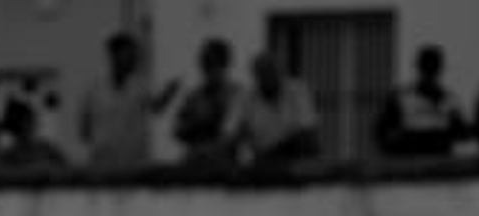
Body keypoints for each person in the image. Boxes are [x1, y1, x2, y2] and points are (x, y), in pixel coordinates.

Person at [78, 31, 180, 169]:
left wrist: (169, 92)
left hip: (134, 163)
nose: (133, 59)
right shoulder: (94, 88)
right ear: (114, 56)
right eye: (128, 54)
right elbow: (84, 129)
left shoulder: (140, 85)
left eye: (134, 55)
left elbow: (156, 108)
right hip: (103, 162)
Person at [375, 45, 468, 157]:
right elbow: (381, 132)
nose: (429, 72)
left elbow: (462, 133)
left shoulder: (450, 101)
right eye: (427, 67)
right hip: (411, 159)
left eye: (433, 67)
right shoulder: (402, 98)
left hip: (440, 160)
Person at [173, 37, 245, 170]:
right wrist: (196, 123)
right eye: (206, 64)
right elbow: (178, 130)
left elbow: (233, 135)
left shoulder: (236, 95)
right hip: (195, 165)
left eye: (213, 63)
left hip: (225, 167)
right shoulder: (194, 97)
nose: (209, 69)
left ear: (224, 64)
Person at [237, 53, 320, 168]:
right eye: (263, 73)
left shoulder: (297, 90)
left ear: (280, 72)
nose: (268, 77)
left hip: (297, 155)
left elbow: (306, 130)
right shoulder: (246, 97)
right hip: (265, 160)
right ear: (256, 76)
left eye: (271, 72)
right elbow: (231, 132)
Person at [0, 99, 66, 169]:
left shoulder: (47, 151)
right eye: (26, 122)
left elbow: (66, 170)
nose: (33, 124)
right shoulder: (5, 157)